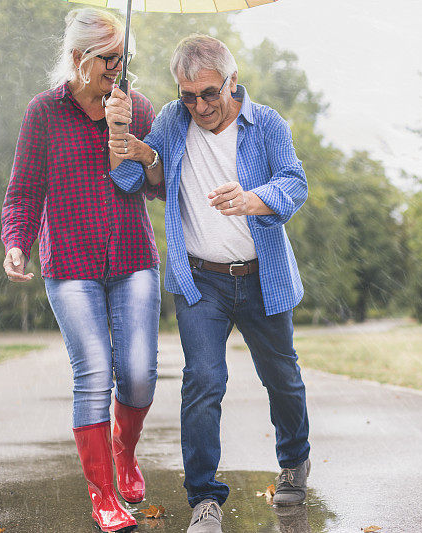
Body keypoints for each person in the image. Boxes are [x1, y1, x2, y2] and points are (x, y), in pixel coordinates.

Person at [105, 34, 311, 533]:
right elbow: (132, 180)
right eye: (189, 95)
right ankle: (204, 498)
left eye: (210, 93)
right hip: (200, 281)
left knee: (281, 377)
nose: (200, 106)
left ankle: (294, 461)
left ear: (232, 83)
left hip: (263, 278)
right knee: (203, 383)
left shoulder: (266, 125)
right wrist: (121, 140)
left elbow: (295, 183)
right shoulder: (174, 123)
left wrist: (252, 198)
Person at [1, 8, 163, 532]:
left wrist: (127, 140)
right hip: (70, 264)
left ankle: (125, 450)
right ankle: (103, 496)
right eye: (108, 58)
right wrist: (15, 243)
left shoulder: (137, 108)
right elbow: (25, 190)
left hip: (133, 257)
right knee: (94, 371)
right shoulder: (43, 112)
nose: (117, 67)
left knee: (137, 374)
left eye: (123, 57)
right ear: (77, 58)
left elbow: (151, 187)